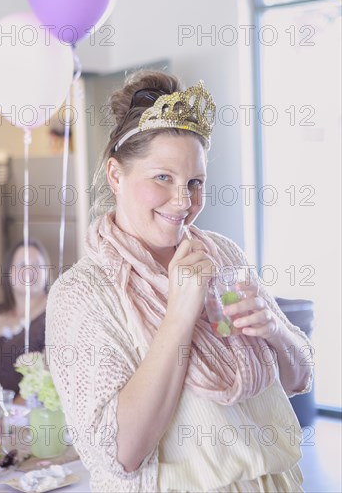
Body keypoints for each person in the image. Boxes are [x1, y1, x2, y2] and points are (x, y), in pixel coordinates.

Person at [46, 70, 314, 492]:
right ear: (116, 175)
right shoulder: (82, 294)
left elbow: (300, 378)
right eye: (162, 178)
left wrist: (276, 330)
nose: (183, 201)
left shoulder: (222, 255)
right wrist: (180, 313)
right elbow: (121, 453)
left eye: (195, 182)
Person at [0, 240, 50, 398]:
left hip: (16, 417)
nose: (29, 271)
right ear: (8, 272)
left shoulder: (53, 316)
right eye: (22, 265)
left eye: (37, 265)